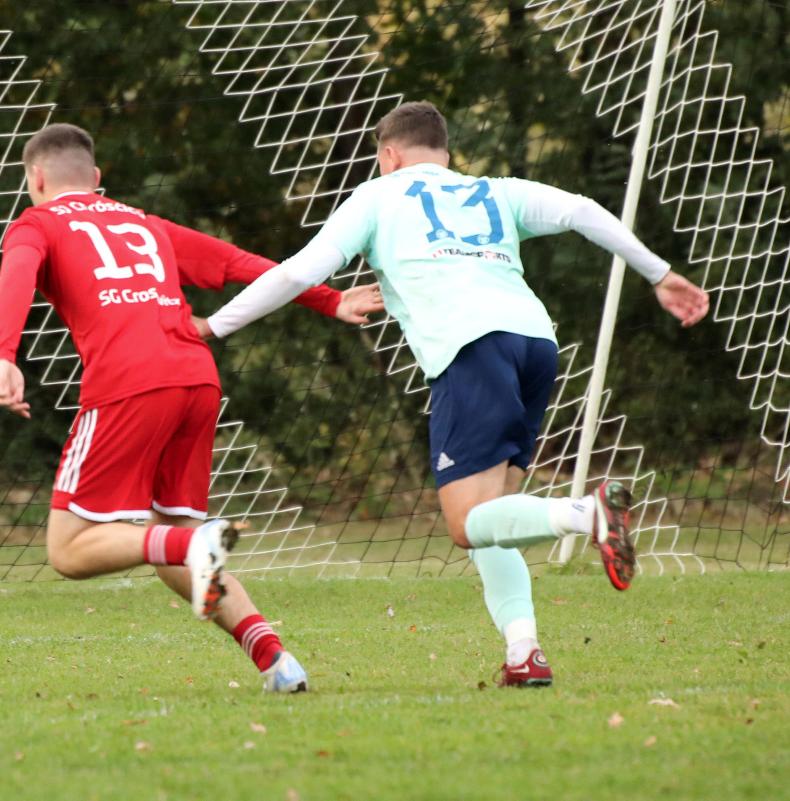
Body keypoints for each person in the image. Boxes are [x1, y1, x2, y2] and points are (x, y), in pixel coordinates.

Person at [198, 101, 710, 687]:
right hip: (535, 345)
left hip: (472, 351)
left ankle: (588, 512)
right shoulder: (494, 190)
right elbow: (581, 210)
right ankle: (524, 653)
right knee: (492, 520)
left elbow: (296, 272)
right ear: (444, 153)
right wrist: (660, 273)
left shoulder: (377, 196)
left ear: (389, 155)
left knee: (467, 525)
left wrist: (216, 325)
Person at [0, 123, 384, 692]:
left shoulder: (36, 223)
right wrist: (328, 299)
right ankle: (275, 659)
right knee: (171, 539)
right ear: (96, 180)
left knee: (69, 550)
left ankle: (193, 545)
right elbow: (236, 262)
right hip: (196, 380)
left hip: (129, 383)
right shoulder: (145, 223)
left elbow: (17, 279)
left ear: (36, 178)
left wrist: (4, 354)